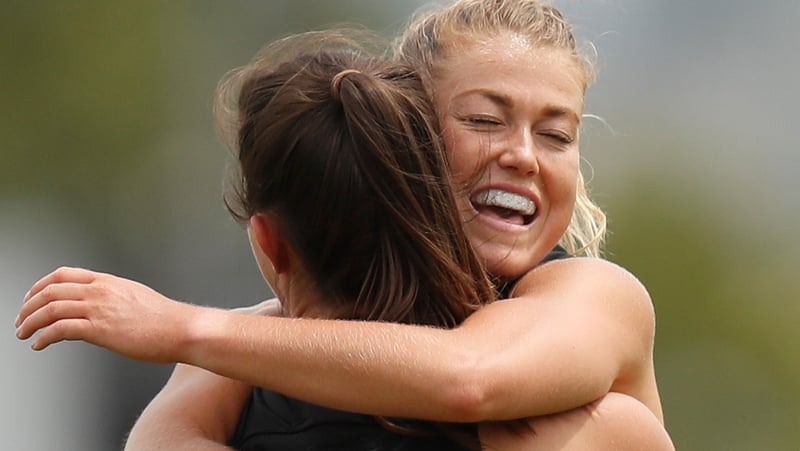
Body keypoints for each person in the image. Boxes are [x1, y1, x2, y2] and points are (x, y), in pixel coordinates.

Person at [16, 0, 674, 449]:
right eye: (483, 119)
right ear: (405, 135)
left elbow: (471, 375)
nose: (522, 155)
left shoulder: (593, 296)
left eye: (556, 134)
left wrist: (182, 326)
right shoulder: (258, 346)